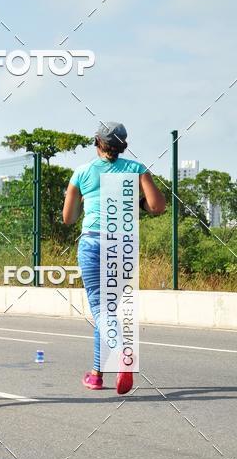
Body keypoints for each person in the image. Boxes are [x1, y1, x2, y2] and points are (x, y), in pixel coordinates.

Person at [62, 122, 166, 394]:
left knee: (101, 310)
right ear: (123, 147)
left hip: (94, 242)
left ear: (97, 142)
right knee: (108, 312)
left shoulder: (82, 173)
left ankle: (122, 354)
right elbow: (157, 207)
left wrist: (85, 199)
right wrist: (136, 203)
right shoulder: (136, 169)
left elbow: (68, 218)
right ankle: (96, 374)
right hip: (124, 245)